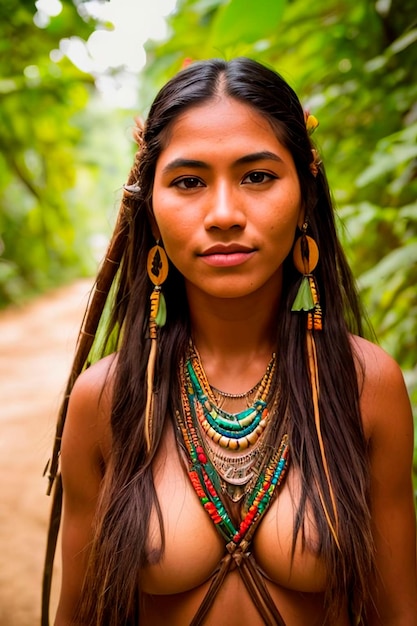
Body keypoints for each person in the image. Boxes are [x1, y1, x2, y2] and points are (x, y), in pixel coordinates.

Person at [46, 57, 417, 626]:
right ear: (150, 203)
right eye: (189, 182)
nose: (224, 214)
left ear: (305, 196)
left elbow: (399, 612)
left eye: (258, 176)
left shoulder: (366, 386)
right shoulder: (105, 399)